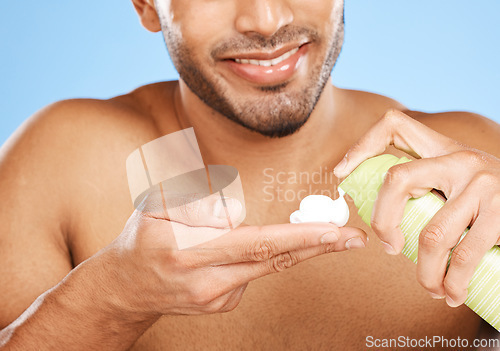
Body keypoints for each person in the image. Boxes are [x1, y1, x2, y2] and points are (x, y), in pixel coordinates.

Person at [1, 0, 499, 349]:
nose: (266, 20)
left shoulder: (474, 169)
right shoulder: (62, 160)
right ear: (146, 4)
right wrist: (111, 298)